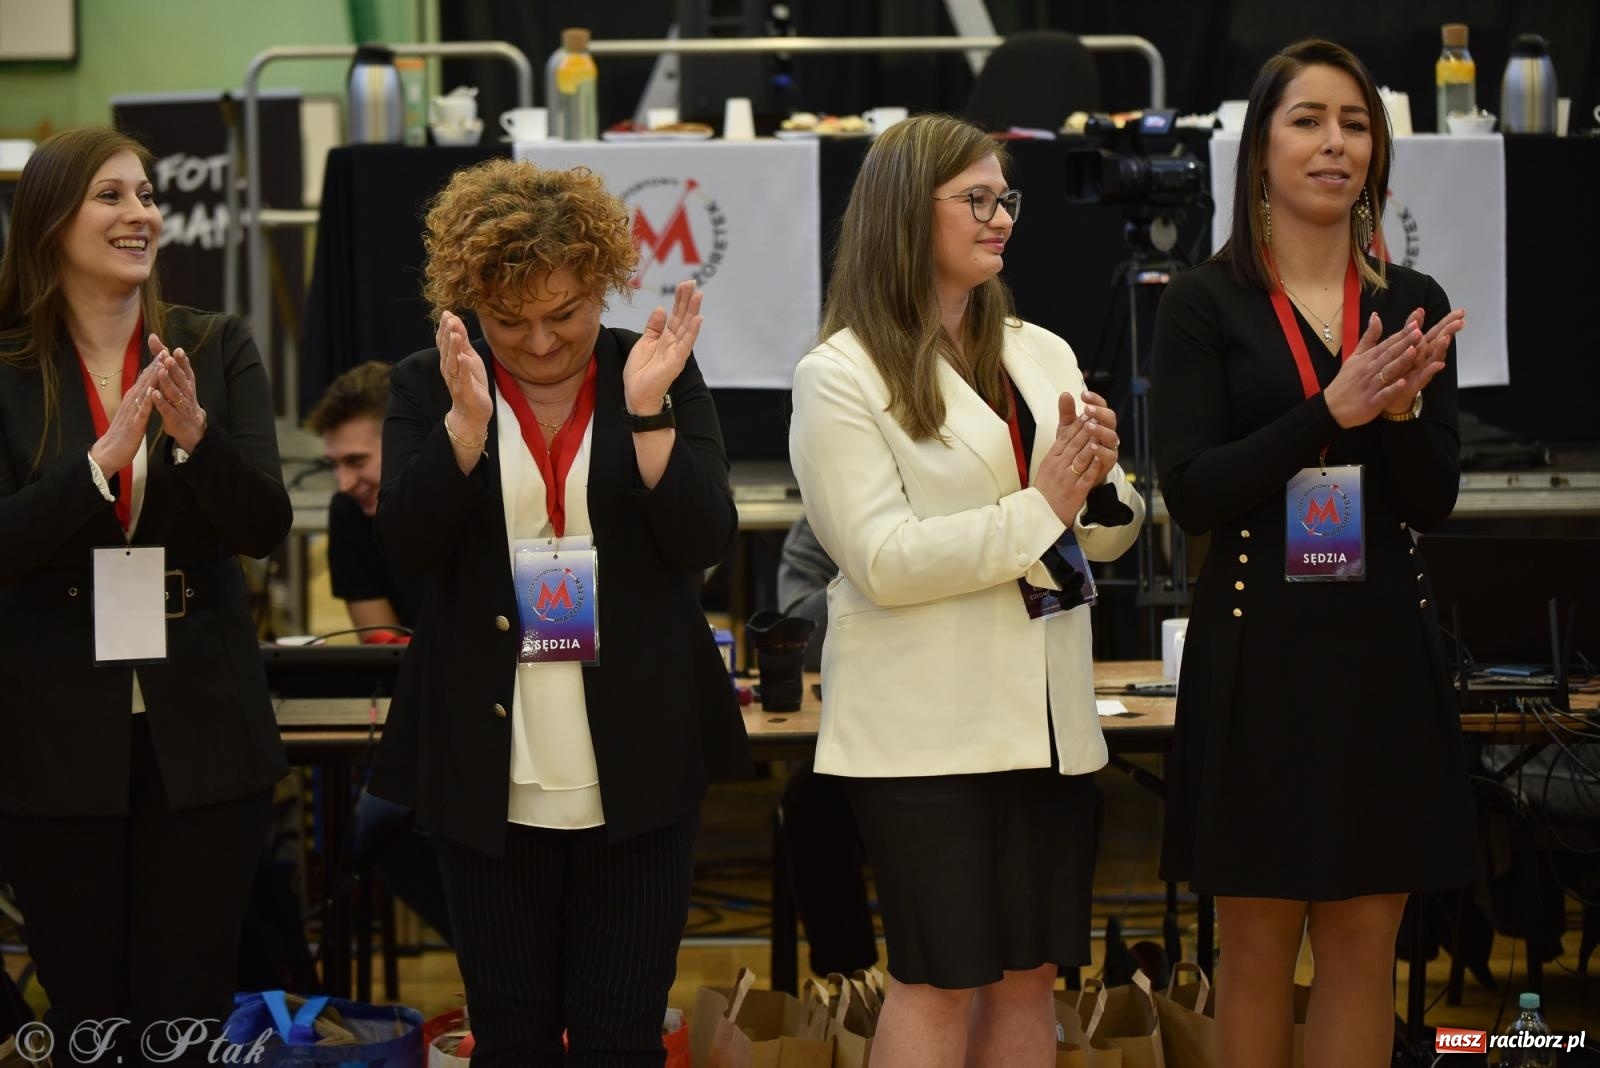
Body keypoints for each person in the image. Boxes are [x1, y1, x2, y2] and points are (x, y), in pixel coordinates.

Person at [367, 158, 753, 1066]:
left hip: (637, 747)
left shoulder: (650, 368)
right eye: (511, 320)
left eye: (565, 314)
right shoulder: (433, 381)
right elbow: (405, 548)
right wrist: (465, 429)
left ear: (604, 285)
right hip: (487, 753)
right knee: (511, 1035)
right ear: (470, 301)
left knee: (622, 1034)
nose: (540, 343)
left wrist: (650, 415)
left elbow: (705, 535)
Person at [788, 114, 1144, 1068]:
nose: (1001, 218)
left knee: (1029, 974)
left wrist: (1103, 485)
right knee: (942, 980)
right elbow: (883, 559)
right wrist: (1043, 506)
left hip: (1046, 716)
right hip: (923, 731)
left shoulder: (1043, 350)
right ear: (908, 213)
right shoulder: (838, 375)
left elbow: (1101, 533)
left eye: (1006, 200)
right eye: (977, 200)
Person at [1150, 39, 1474, 1068]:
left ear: (1375, 154)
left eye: (1354, 123)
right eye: (1307, 121)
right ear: (1259, 153)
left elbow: (1432, 499)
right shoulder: (1204, 303)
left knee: (1362, 947)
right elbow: (1195, 490)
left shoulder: (1407, 295)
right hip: (1258, 652)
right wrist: (1329, 408)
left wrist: (1401, 410)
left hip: (1381, 650)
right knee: (1253, 952)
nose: (1334, 144)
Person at [0, 128, 290, 1061]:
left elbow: (264, 528)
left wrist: (197, 439)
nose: (143, 215)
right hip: (50, 736)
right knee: (86, 1012)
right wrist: (99, 465)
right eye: (112, 197)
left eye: (149, 194)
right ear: (50, 222)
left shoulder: (213, 343)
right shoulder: (7, 367)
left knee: (184, 1012)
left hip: (201, 729)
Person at [307, 360, 420, 637]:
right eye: (333, 465)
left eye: (356, 461)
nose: (343, 483)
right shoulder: (350, 512)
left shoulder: (475, 493)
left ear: (404, 443)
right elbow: (384, 645)